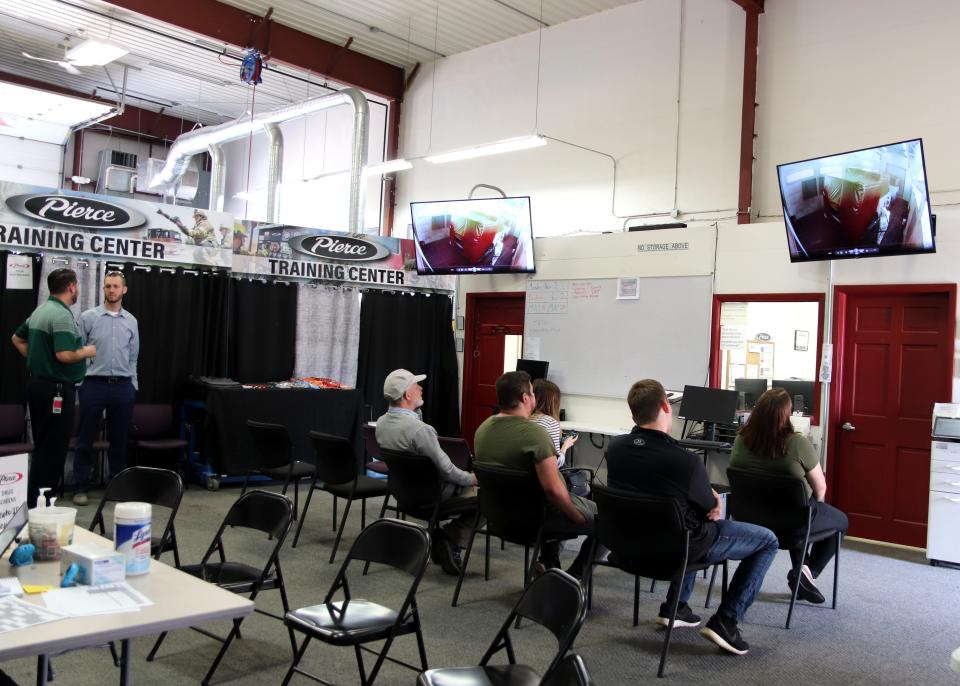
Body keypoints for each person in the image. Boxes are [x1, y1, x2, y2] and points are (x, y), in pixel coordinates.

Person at [606, 379, 778, 656]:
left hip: (630, 548)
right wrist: (712, 498)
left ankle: (676, 607)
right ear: (665, 406)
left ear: (633, 412)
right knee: (767, 540)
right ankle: (726, 621)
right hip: (676, 551)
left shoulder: (615, 449)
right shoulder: (685, 461)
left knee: (683, 519)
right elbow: (710, 507)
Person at [473, 370, 605, 580]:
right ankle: (574, 579)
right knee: (608, 520)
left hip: (499, 518)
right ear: (525, 398)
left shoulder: (483, 429)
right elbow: (553, 491)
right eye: (533, 393)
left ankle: (549, 564)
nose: (534, 397)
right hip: (535, 519)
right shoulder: (535, 435)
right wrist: (575, 515)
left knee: (567, 502)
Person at [730, 387, 848, 604]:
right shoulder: (797, 443)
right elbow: (821, 488)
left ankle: (802, 571)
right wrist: (816, 510)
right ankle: (806, 572)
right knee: (839, 520)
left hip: (751, 522)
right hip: (792, 524)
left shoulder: (740, 440)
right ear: (786, 414)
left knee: (797, 511)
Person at [375, 369, 477, 576]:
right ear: (407, 395)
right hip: (434, 496)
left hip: (403, 494)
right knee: (488, 498)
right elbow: (447, 471)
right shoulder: (421, 431)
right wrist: (471, 478)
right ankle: (450, 538)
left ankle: (444, 538)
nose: (421, 388)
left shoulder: (381, 423)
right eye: (416, 385)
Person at [11, 268, 96, 507]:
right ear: (71, 286)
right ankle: (43, 505)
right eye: (76, 285)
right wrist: (87, 351)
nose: (77, 289)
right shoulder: (60, 315)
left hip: (38, 386)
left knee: (43, 448)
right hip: (56, 391)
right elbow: (65, 354)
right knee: (53, 450)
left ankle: (37, 502)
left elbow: (16, 338)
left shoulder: (40, 311)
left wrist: (37, 360)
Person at [71, 271, 140, 506]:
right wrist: (80, 382)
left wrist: (133, 385)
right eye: (108, 286)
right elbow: (77, 351)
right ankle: (81, 486)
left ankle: (116, 486)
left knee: (119, 440)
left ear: (124, 290)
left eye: (116, 286)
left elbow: (133, 357)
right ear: (103, 289)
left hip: (122, 387)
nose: (112, 290)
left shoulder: (131, 321)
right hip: (93, 385)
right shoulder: (88, 317)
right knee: (86, 439)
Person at [530, 378, 577, 468]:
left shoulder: (522, 418)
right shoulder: (551, 423)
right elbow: (555, 464)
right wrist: (565, 447)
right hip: (541, 477)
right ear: (553, 401)